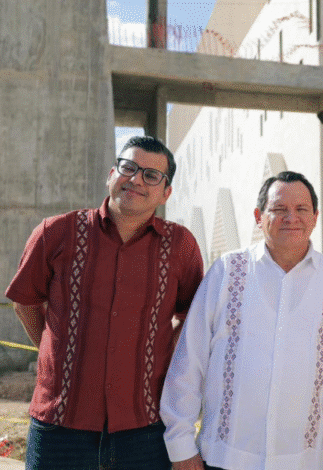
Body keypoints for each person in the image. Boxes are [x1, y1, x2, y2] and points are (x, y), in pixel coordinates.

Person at [5, 136, 204, 469]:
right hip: (60, 427)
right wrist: (56, 351)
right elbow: (25, 301)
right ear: (112, 173)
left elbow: (192, 318)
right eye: (129, 168)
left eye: (152, 176)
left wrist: (161, 354)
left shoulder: (181, 246)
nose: (137, 179)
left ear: (166, 192)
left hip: (145, 430)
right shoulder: (56, 232)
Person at [161, 171, 323, 470]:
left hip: (307, 462)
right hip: (224, 457)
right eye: (279, 209)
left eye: (301, 209)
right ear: (259, 216)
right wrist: (180, 445)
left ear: (315, 217)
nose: (291, 218)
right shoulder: (227, 271)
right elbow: (189, 359)